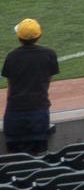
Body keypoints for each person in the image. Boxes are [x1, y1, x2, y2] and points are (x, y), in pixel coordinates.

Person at [4, 19, 58, 155]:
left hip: (15, 111)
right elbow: (47, 82)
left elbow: (11, 85)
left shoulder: (11, 56)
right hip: (39, 109)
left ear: (19, 37)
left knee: (15, 159)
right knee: (39, 157)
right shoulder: (49, 54)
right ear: (39, 35)